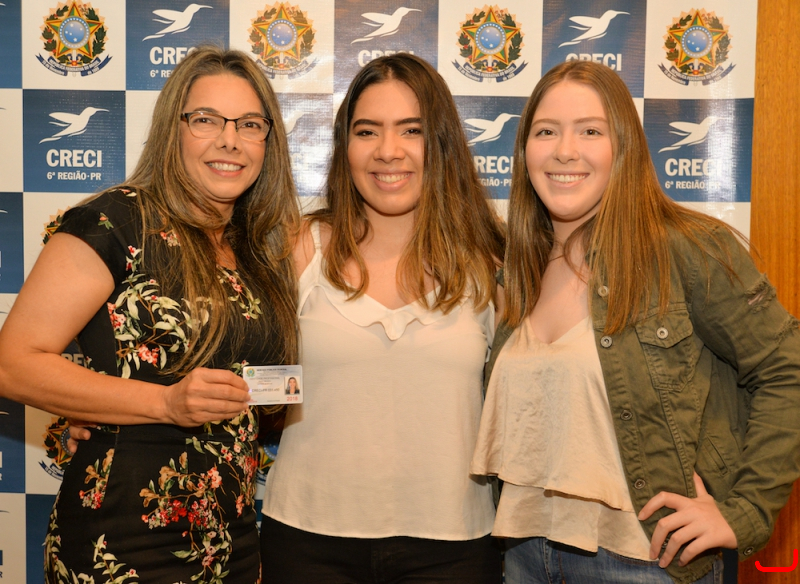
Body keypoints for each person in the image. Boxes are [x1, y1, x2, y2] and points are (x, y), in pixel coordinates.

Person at [470, 59, 800, 584]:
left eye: (590, 131)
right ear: (524, 149)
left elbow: (787, 370)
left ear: (623, 145)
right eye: (546, 131)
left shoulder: (689, 248)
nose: (565, 150)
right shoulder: (517, 267)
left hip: (648, 563)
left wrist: (744, 511)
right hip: (525, 554)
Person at [0, 46, 299, 582]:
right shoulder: (115, 221)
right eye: (206, 119)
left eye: (250, 124)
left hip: (231, 543)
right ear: (172, 129)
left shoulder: (256, 249)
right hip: (122, 546)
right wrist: (162, 402)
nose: (229, 140)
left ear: (267, 141)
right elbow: (13, 364)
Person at [259, 53, 506, 583]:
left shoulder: (490, 265)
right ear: (345, 146)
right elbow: (230, 369)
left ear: (441, 144)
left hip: (455, 549)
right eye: (367, 131)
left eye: (411, 130)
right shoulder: (300, 249)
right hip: (306, 543)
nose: (388, 150)